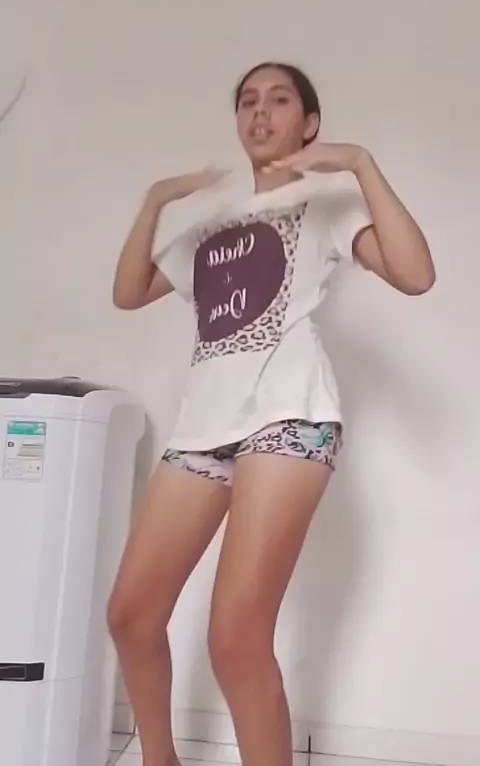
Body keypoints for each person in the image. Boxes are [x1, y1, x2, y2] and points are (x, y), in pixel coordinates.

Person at [108, 62, 435, 766]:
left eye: (279, 99)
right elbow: (128, 292)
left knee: (235, 639)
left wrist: (361, 164)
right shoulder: (212, 228)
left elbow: (416, 275)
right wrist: (154, 202)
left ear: (308, 123)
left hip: (290, 419)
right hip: (205, 427)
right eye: (248, 101)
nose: (260, 112)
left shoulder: (326, 205)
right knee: (131, 616)